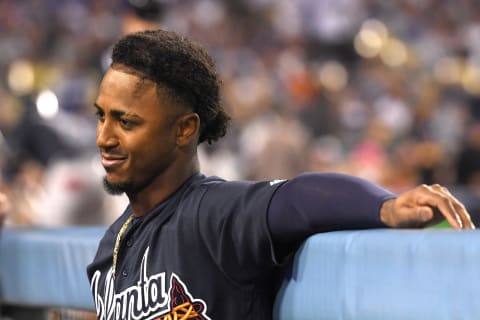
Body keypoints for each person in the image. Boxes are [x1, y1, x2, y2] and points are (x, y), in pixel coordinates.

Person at [87, 29, 475, 320]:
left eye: (127, 122)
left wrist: (387, 207)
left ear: (184, 129)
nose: (104, 137)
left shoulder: (212, 214)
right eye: (101, 116)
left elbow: (298, 199)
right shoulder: (110, 247)